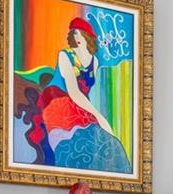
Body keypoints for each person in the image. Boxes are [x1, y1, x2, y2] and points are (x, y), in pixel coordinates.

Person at [36, 17, 130, 174]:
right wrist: (99, 116)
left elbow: (85, 93)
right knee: (86, 133)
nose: (75, 37)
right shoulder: (65, 55)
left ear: (87, 36)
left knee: (105, 139)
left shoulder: (95, 62)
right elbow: (73, 92)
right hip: (59, 100)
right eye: (73, 34)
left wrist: (99, 118)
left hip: (80, 103)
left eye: (79, 33)